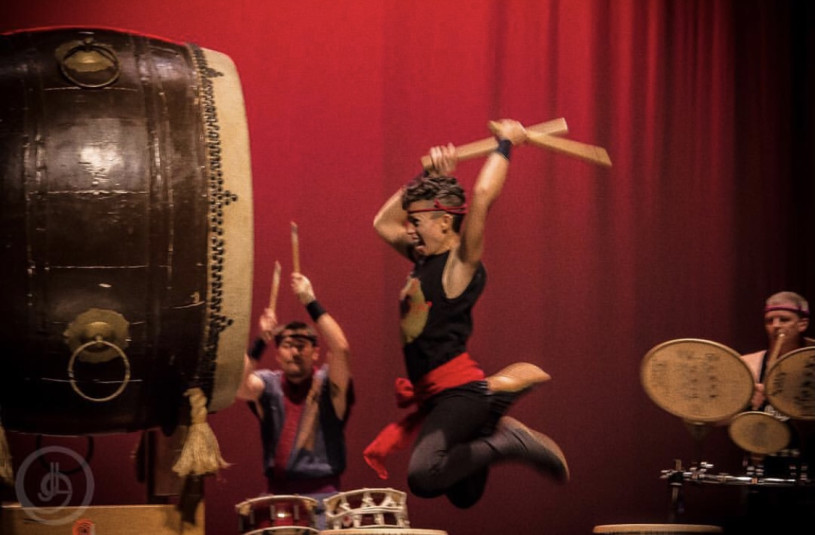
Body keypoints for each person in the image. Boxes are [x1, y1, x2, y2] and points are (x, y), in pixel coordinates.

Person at [366, 118, 569, 509]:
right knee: (463, 494)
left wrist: (505, 146)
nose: (408, 229)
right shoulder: (421, 256)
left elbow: (482, 195)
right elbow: (382, 222)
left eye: (418, 222)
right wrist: (425, 174)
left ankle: (508, 437)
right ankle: (494, 409)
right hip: (438, 397)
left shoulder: (459, 264)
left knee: (425, 477)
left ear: (445, 223)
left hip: (458, 393)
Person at [236, 271, 353, 529]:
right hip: (277, 501)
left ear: (315, 353)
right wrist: (261, 340)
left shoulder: (328, 385)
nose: (296, 351)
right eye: (288, 344)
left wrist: (310, 300)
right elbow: (238, 386)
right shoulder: (268, 385)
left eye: (303, 344)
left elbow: (341, 349)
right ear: (277, 354)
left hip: (324, 502)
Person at [730, 291, 815, 534]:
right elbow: (719, 419)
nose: (775, 325)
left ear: (803, 323)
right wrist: (744, 402)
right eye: (770, 320)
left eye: (784, 319)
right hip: (762, 466)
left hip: (808, 465)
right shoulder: (750, 364)